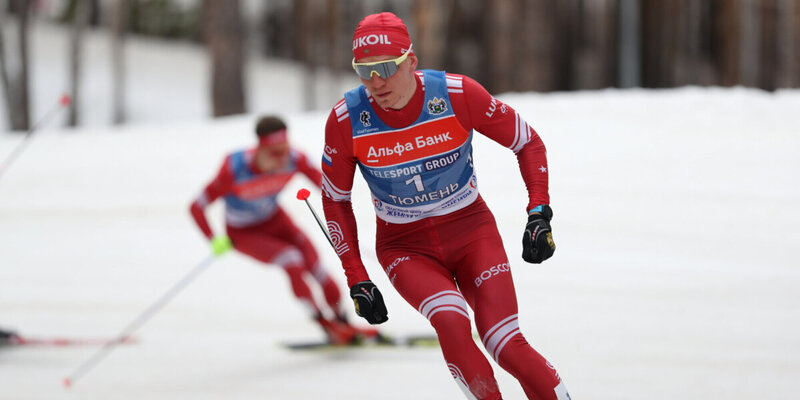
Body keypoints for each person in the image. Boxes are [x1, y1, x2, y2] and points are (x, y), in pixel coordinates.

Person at [321, 12, 570, 400]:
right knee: (451, 320)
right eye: (364, 71)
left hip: (471, 231)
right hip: (405, 247)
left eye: (386, 67)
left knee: (505, 340)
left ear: (412, 61)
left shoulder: (457, 94)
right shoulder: (346, 118)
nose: (376, 82)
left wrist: (539, 211)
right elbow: (335, 199)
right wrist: (357, 277)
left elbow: (528, 142)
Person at [190, 115, 373, 345]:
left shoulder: (294, 158)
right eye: (274, 153)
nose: (281, 159)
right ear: (259, 149)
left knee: (316, 266)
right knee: (291, 260)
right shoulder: (234, 170)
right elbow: (196, 206)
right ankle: (326, 326)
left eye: (284, 150)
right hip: (244, 233)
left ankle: (343, 321)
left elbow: (326, 185)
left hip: (275, 220)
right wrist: (213, 239)